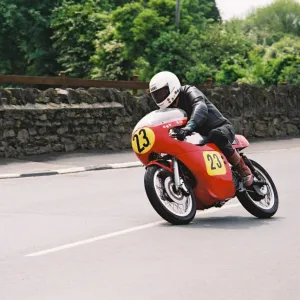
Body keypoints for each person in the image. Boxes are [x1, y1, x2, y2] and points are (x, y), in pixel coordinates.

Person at [148, 71, 253, 188]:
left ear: (172, 86)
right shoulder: (167, 111)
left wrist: (189, 126)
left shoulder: (189, 91)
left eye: (162, 92)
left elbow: (200, 107)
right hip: (199, 138)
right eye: (156, 95)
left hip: (221, 128)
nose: (160, 97)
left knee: (215, 134)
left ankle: (242, 168)